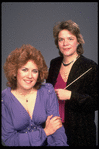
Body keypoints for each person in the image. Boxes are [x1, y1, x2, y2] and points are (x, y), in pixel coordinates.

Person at [2, 44, 68, 146]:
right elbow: (10, 140)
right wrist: (45, 132)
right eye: (24, 70)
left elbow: (57, 129)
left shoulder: (47, 91)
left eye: (34, 71)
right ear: (15, 72)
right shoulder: (4, 99)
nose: (30, 76)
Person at [46, 20, 98, 146]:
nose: (65, 43)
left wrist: (71, 96)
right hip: (55, 129)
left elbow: (96, 102)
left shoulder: (90, 66)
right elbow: (47, 93)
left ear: (78, 41)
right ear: (57, 43)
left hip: (80, 132)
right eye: (61, 39)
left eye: (70, 38)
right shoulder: (54, 63)